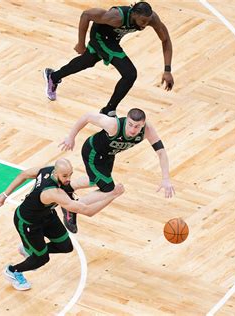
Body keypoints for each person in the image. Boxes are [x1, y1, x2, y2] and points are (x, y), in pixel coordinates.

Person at [0, 158, 124, 290]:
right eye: (65, 176)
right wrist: (112, 195)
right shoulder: (53, 193)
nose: (68, 178)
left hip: (47, 215)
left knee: (65, 246)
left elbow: (24, 174)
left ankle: (30, 249)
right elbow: (88, 211)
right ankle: (12, 271)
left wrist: (4, 195)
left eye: (70, 174)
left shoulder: (47, 171)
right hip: (28, 222)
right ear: (56, 173)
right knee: (41, 259)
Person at [44, 1, 174, 116]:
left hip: (113, 39)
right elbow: (86, 15)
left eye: (148, 21)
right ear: (134, 14)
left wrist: (167, 70)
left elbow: (166, 40)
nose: (145, 25)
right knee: (130, 74)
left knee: (86, 62)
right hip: (100, 37)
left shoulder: (152, 19)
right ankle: (109, 110)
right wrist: (80, 43)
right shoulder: (116, 16)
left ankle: (53, 76)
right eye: (143, 21)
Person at [59, 108, 175, 233]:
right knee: (108, 187)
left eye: (137, 126)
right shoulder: (113, 125)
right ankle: (71, 207)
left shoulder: (148, 130)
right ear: (126, 121)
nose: (132, 130)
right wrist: (71, 137)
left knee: (97, 179)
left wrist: (166, 178)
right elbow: (87, 116)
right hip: (93, 153)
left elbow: (161, 153)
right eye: (130, 125)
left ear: (143, 124)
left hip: (109, 155)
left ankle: (68, 188)